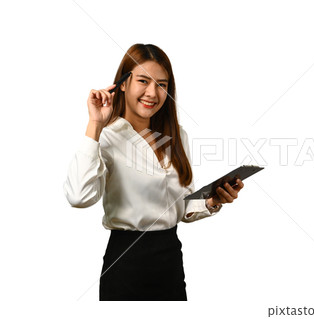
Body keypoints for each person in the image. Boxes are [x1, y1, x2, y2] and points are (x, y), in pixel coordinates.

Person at [63, 43, 244, 301]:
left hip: (170, 261)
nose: (152, 92)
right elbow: (79, 197)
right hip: (125, 264)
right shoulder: (106, 137)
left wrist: (213, 200)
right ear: (122, 84)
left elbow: (180, 207)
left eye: (161, 84)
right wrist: (95, 124)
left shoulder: (176, 136)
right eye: (143, 81)